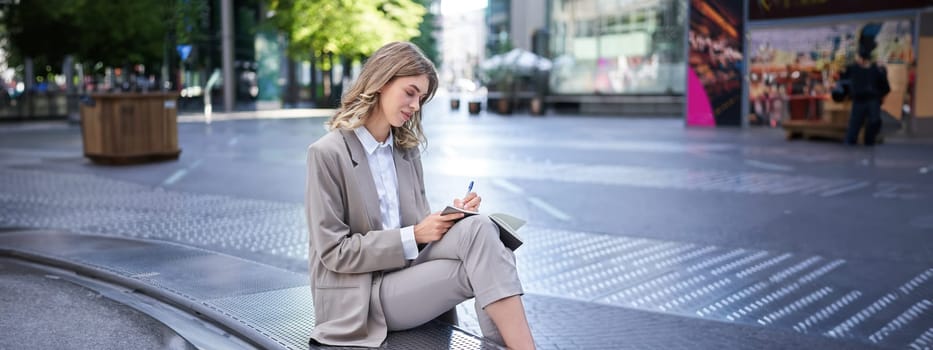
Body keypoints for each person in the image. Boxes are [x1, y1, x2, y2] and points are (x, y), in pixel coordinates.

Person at [304, 41, 535, 349]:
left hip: (407, 273)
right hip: (362, 296)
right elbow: (334, 252)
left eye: (421, 98)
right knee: (489, 264)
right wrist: (414, 233)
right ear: (381, 83)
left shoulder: (405, 151)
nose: (415, 105)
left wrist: (451, 218)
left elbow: (416, 229)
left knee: (481, 229)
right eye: (410, 92)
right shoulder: (327, 154)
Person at [840, 42, 890, 146]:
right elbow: (844, 82)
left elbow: (885, 86)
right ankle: (854, 142)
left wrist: (879, 95)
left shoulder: (875, 69)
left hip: (870, 99)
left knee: (872, 121)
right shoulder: (855, 69)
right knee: (857, 124)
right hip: (862, 99)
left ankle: (867, 141)